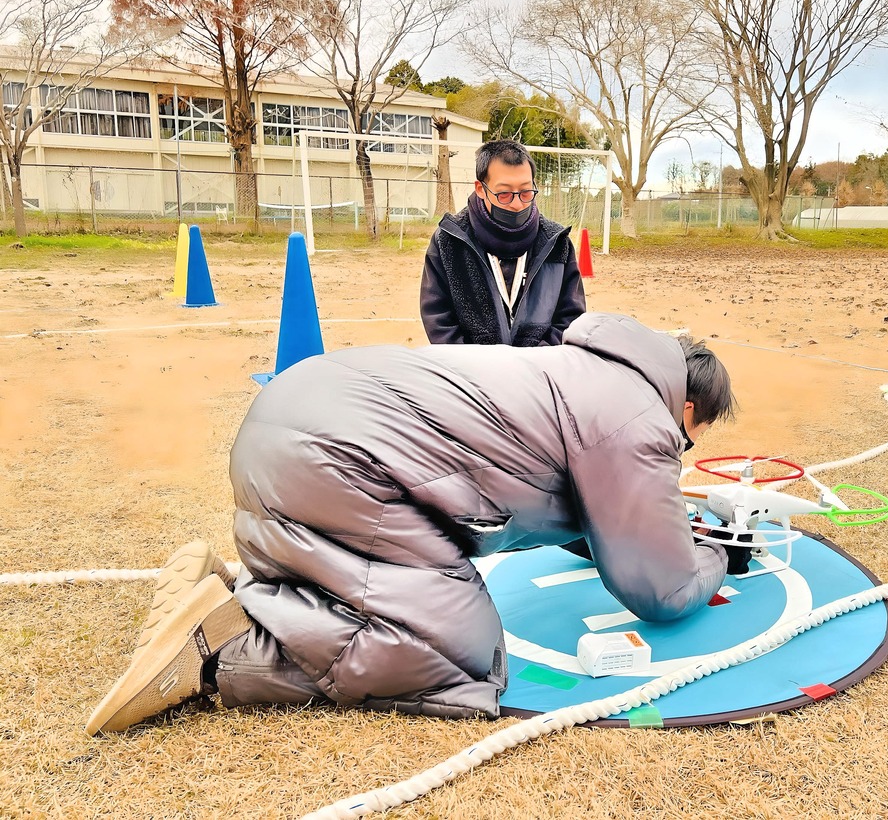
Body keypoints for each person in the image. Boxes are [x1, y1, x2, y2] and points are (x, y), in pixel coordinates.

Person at [87, 313, 741, 735]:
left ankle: (229, 593)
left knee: (376, 575)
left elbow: (586, 518)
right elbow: (657, 587)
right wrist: (714, 555)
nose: (683, 448)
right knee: (454, 651)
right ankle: (217, 653)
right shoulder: (637, 417)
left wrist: (659, 530)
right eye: (693, 436)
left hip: (297, 422)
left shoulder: (579, 372)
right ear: (686, 406)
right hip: (344, 461)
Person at [420, 139, 586, 347]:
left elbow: (571, 318)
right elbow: (439, 320)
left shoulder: (556, 243)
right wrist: (477, 367)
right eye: (504, 194)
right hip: (472, 373)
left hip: (539, 371)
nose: (517, 204)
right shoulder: (449, 241)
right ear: (481, 189)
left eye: (526, 192)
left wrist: (535, 362)